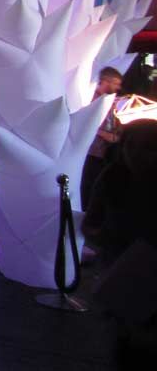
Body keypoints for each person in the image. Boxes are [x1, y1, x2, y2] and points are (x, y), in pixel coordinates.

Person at [83, 119, 157, 368]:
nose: (137, 154)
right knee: (125, 348)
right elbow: (91, 222)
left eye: (148, 147)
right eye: (131, 146)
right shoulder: (112, 178)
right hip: (119, 273)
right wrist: (102, 236)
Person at [81, 66, 125, 209]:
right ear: (106, 81)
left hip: (104, 155)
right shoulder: (90, 100)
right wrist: (105, 135)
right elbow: (85, 125)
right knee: (89, 188)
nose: (118, 87)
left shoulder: (110, 102)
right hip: (91, 154)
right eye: (116, 83)